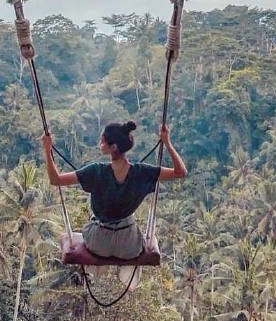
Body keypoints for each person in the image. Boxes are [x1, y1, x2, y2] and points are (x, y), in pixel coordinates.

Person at [41, 120, 186, 287]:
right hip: (129, 245)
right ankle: (128, 271)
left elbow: (55, 179)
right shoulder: (141, 172)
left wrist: (47, 149)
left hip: (98, 243)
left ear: (114, 147)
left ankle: (97, 271)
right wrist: (167, 142)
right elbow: (180, 172)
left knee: (67, 237)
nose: (99, 143)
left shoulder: (96, 171)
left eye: (102, 141)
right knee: (149, 238)